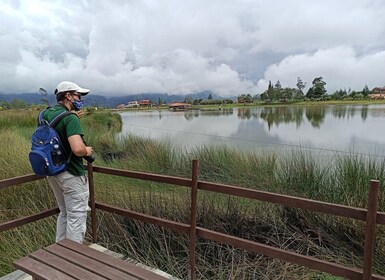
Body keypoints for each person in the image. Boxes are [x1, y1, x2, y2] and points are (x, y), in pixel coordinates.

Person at [44, 81, 94, 243]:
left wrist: (72, 116)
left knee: (64, 213)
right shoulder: (70, 118)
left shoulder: (45, 114)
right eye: (78, 95)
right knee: (76, 216)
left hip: (52, 171)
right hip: (71, 173)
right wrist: (88, 150)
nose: (80, 99)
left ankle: (60, 254)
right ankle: (74, 259)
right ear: (68, 96)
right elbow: (78, 149)